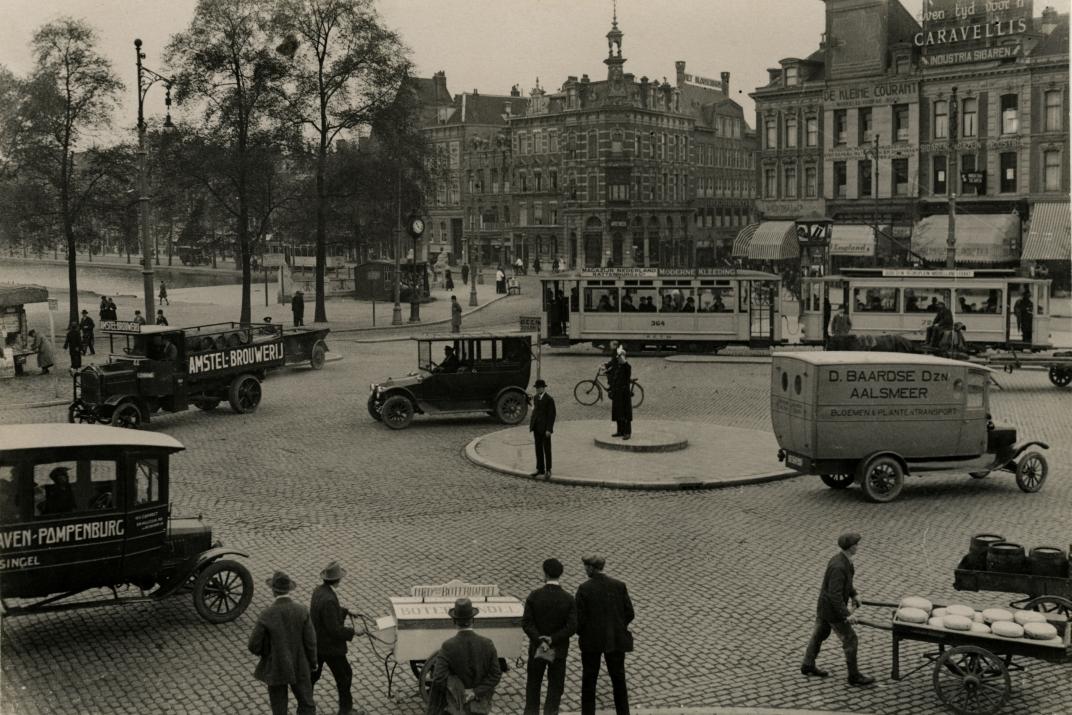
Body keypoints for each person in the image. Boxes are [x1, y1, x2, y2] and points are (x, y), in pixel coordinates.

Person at [801, 532, 874, 686]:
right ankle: (854, 676)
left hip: (825, 608)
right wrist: (846, 614)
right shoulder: (839, 566)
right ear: (850, 547)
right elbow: (835, 594)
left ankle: (808, 664)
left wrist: (854, 594)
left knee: (819, 634)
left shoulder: (843, 560)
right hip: (832, 611)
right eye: (856, 545)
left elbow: (845, 584)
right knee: (851, 639)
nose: (858, 547)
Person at [249, 571, 318, 715]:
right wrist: (312, 662)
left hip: (276, 666)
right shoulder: (302, 610)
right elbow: (311, 642)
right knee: (307, 703)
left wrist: (267, 653)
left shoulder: (267, 614)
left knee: (279, 708)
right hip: (300, 664)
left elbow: (253, 645)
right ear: (289, 590)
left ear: (273, 591)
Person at [576, 555, 634, 715]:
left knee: (589, 680)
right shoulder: (619, 585)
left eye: (586, 567)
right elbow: (629, 613)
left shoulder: (584, 588)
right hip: (615, 639)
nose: (585, 570)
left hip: (591, 641)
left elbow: (579, 620)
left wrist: (584, 632)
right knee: (618, 680)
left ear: (591, 568)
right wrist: (618, 627)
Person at [425, 598, 501, 715]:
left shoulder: (448, 646)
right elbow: (495, 675)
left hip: (456, 708)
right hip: (479, 706)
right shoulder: (487, 644)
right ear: (473, 620)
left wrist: (457, 692)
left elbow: (439, 678)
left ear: (454, 622)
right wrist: (475, 692)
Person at [523, 558, 577, 715]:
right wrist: (553, 639)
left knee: (533, 685)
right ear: (560, 575)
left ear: (545, 574)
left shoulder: (534, 596)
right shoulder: (568, 599)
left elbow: (527, 623)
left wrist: (540, 639)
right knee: (555, 686)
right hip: (558, 649)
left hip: (538, 648)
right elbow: (572, 626)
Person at [311, 561, 362, 715]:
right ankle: (345, 710)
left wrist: (347, 611)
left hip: (317, 643)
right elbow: (334, 630)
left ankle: (305, 704)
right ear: (337, 580)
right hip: (330, 647)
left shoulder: (319, 591)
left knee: (313, 675)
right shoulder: (330, 599)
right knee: (345, 675)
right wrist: (354, 631)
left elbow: (329, 614)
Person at [530, 379, 556, 479]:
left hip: (545, 429)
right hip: (536, 427)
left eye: (539, 388)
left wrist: (549, 429)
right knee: (538, 448)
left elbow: (551, 415)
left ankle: (548, 469)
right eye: (536, 388)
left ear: (543, 388)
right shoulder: (536, 398)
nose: (537, 390)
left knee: (547, 449)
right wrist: (532, 425)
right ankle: (540, 468)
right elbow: (535, 412)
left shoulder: (549, 399)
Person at [608, 352, 632, 440]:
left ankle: (627, 432)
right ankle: (620, 431)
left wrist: (624, 361)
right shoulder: (618, 366)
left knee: (625, 414)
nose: (619, 359)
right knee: (618, 413)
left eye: (621, 358)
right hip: (617, 394)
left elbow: (627, 369)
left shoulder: (627, 367)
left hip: (624, 395)